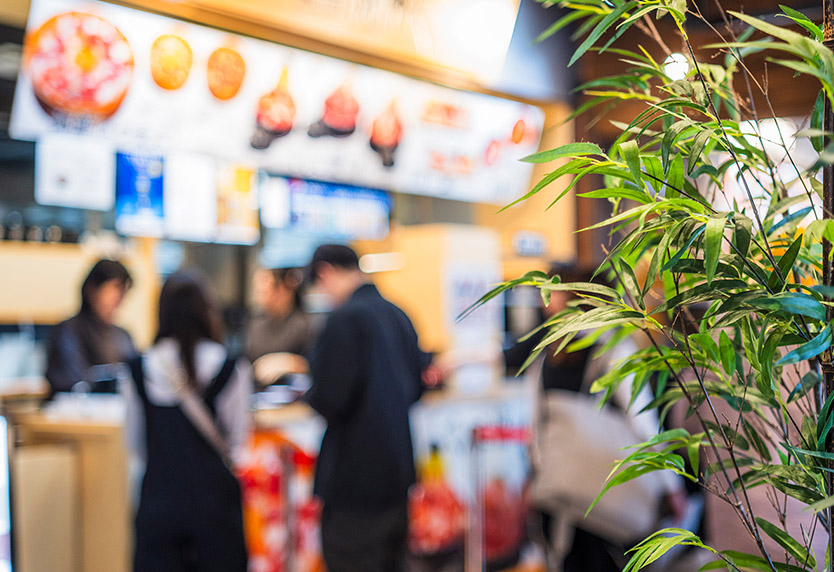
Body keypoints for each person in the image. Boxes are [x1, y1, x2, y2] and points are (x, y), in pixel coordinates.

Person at [303, 244, 429, 572]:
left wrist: (306, 392)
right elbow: (417, 386)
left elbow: (330, 398)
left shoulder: (344, 319)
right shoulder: (398, 313)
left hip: (354, 482)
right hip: (398, 474)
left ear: (325, 273)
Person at [121, 268, 251, 572]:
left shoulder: (137, 369)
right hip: (216, 505)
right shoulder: (231, 367)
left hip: (158, 502)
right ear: (208, 312)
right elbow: (236, 441)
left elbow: (135, 444)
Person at [46, 258, 136, 394]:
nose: (119, 298)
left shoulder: (122, 335)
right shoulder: (69, 330)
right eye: (114, 289)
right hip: (77, 409)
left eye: (123, 291)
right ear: (92, 290)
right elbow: (75, 380)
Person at [246, 267, 317, 385]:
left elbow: (316, 363)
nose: (259, 298)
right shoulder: (255, 322)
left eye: (265, 291)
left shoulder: (305, 325)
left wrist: (291, 362)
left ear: (286, 289)